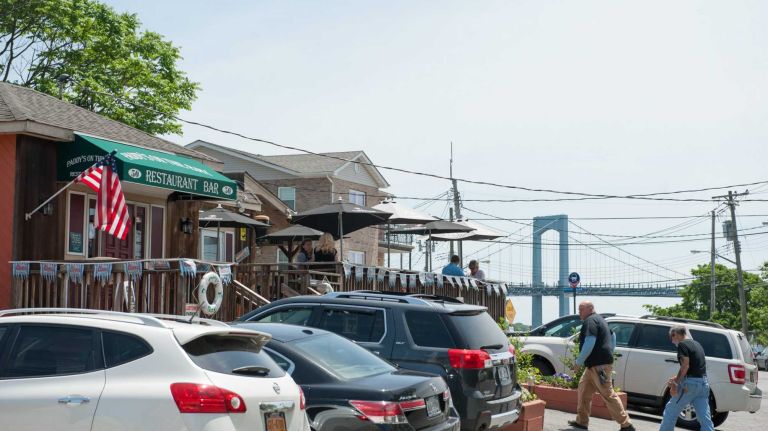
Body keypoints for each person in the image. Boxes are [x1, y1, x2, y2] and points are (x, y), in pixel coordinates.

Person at [568, 301, 635, 431]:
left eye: (581, 309)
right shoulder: (600, 320)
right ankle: (582, 422)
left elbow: (590, 341)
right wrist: (610, 352)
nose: (579, 312)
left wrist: (578, 362)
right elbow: (613, 335)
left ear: (590, 309)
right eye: (579, 309)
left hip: (598, 366)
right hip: (593, 366)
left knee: (608, 394)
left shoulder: (590, 321)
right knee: (583, 390)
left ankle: (626, 425)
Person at [659, 326, 713, 431]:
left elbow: (685, 366)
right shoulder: (697, 344)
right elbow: (695, 367)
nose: (672, 340)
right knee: (704, 418)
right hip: (703, 384)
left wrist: (675, 384)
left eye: (671, 337)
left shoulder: (682, 345)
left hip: (690, 385)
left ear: (676, 334)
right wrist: (676, 378)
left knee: (670, 412)